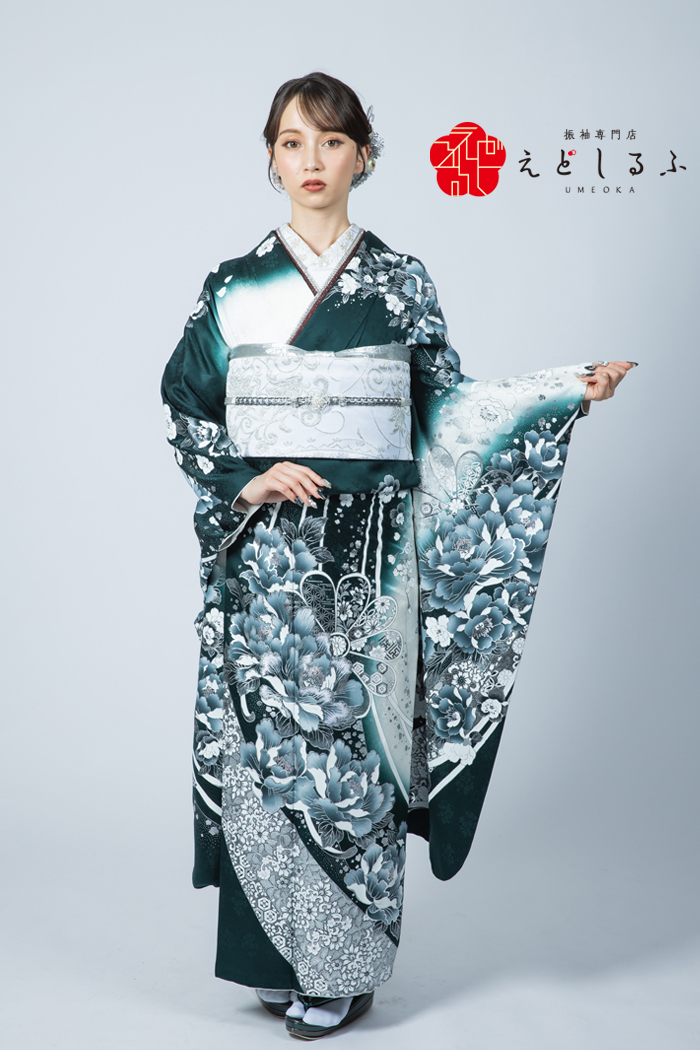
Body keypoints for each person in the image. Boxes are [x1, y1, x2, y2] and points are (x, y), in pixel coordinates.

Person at [161, 72, 633, 1040]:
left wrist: (560, 391)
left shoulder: (401, 281)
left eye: (332, 142)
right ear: (270, 158)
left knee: (354, 751)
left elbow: (448, 413)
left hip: (370, 556)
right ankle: (271, 954)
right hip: (268, 562)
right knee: (268, 749)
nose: (312, 161)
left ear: (364, 156)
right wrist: (247, 477)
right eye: (292, 143)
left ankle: (340, 968)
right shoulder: (233, 286)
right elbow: (184, 401)